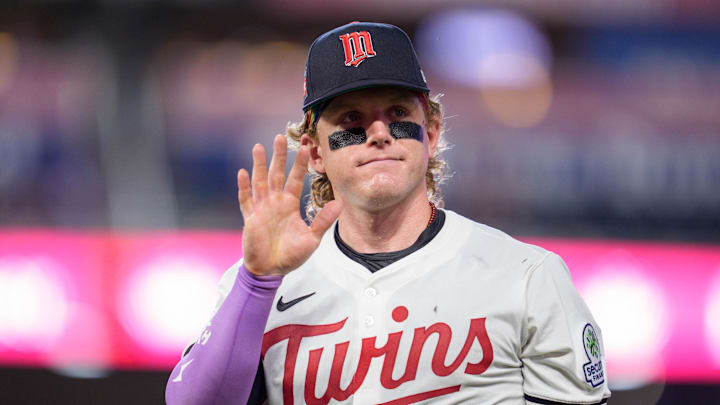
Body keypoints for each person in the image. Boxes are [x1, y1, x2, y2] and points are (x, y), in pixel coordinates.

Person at [165, 21, 611, 405]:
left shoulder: (527, 277)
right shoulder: (259, 286)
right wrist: (257, 281)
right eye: (351, 120)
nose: (378, 133)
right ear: (315, 151)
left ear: (431, 132)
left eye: (397, 112)